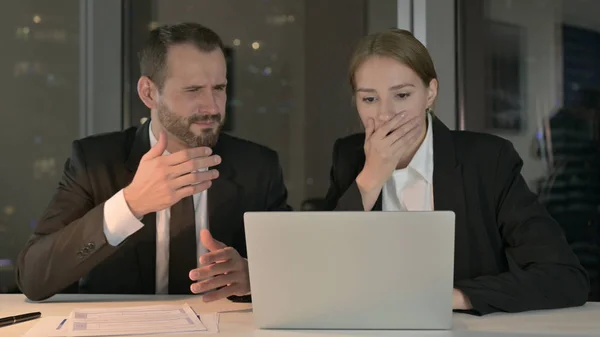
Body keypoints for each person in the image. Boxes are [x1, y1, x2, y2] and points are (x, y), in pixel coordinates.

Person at [15, 22, 291, 301]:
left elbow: (298, 271)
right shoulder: (95, 161)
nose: (212, 106)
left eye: (219, 88)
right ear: (148, 92)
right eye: (193, 90)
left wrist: (256, 276)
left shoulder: (258, 167)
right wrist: (130, 204)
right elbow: (33, 277)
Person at [324, 28, 590, 315]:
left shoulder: (488, 160)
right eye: (369, 99)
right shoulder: (348, 157)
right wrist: (370, 178)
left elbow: (564, 277)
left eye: (401, 95)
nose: (385, 114)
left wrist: (452, 298)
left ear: (430, 93)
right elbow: (319, 272)